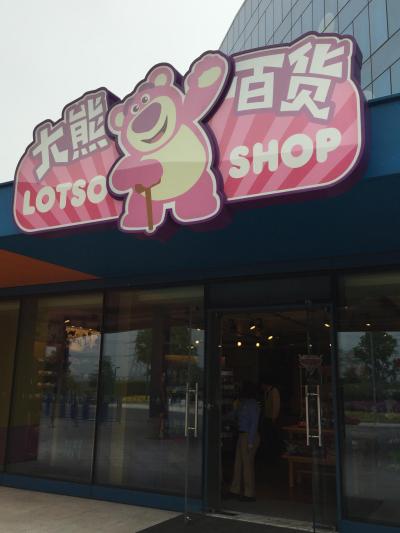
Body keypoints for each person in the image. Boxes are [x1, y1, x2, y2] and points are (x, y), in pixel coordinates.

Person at [230, 381, 260, 501]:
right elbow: (233, 415)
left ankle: (249, 493)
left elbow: (254, 424)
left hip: (248, 435)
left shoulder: (252, 404)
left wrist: (251, 441)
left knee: (247, 464)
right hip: (242, 435)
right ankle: (235, 489)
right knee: (238, 463)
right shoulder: (243, 403)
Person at [260, 380, 281, 460]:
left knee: (272, 436)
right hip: (267, 417)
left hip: (271, 418)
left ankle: (273, 454)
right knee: (268, 436)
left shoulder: (274, 391)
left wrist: (274, 417)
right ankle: (269, 454)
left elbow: (276, 405)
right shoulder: (266, 392)